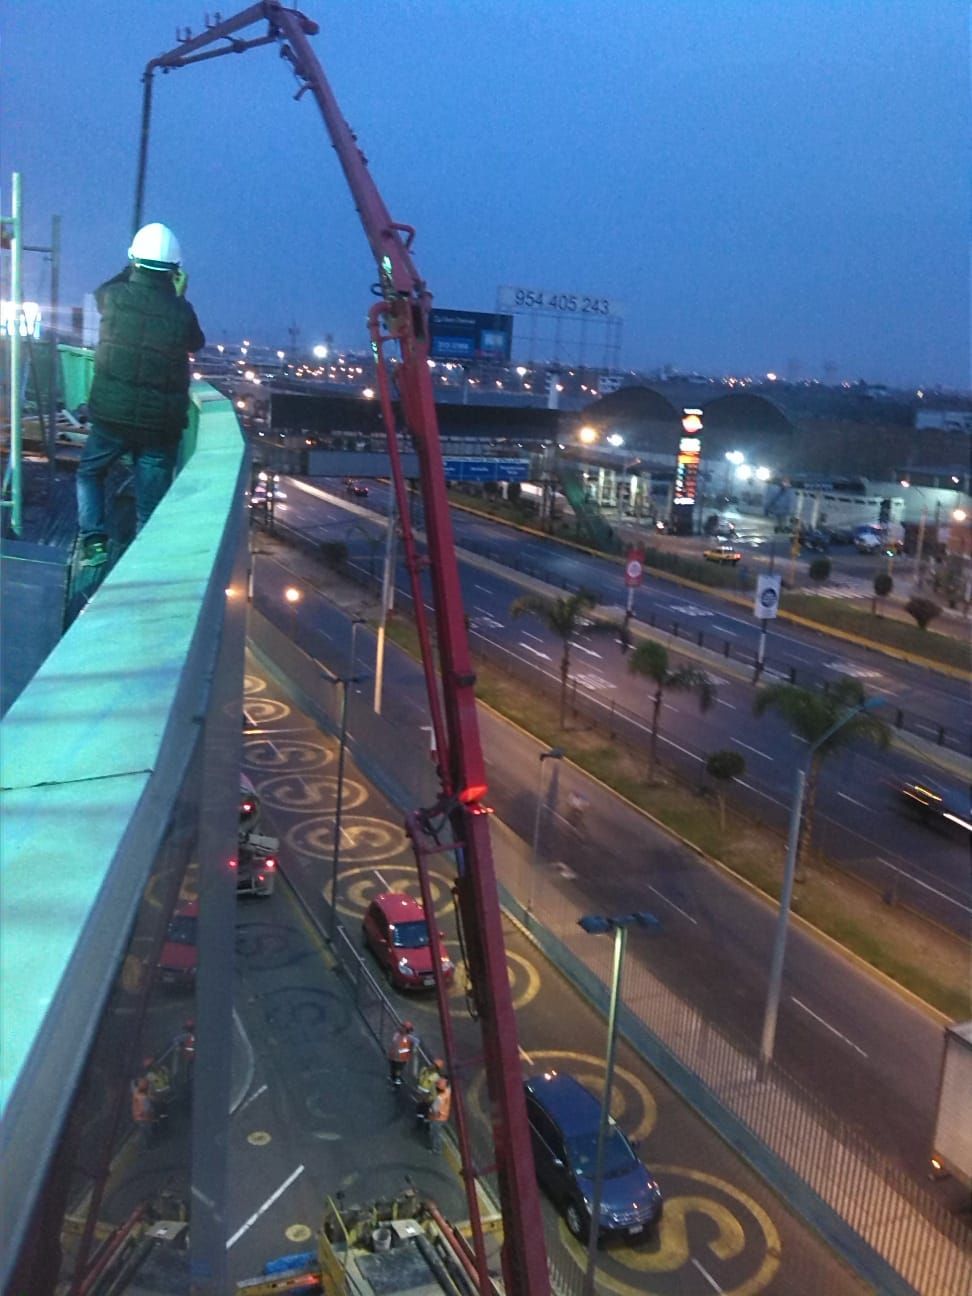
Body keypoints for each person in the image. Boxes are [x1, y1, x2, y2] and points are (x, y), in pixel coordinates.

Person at [76, 222, 205, 567]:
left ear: (134, 260)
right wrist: (179, 297)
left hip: (111, 417)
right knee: (150, 508)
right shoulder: (181, 310)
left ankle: (95, 542)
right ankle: (143, 568)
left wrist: (129, 267)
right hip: (159, 426)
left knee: (90, 473)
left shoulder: (114, 298)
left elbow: (103, 289)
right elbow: (195, 342)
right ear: (175, 270)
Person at [414, 1057, 445, 1125]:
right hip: (421, 1091)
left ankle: (424, 1119)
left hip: (427, 1094)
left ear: (437, 1069)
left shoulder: (436, 1076)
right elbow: (419, 1079)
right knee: (420, 1106)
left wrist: (431, 1097)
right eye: (433, 1064)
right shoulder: (425, 1070)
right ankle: (420, 1117)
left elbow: (434, 1088)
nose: (432, 1066)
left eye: (435, 1066)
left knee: (424, 1106)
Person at [387, 1020, 416, 1088]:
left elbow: (415, 1044)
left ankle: (396, 1084)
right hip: (393, 1056)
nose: (401, 1028)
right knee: (392, 1069)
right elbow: (393, 1044)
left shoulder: (410, 1037)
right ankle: (392, 1078)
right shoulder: (397, 1034)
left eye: (403, 1027)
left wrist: (409, 1053)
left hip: (401, 1059)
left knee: (398, 1071)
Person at [427, 1076, 452, 1153]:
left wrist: (430, 1112)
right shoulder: (448, 1092)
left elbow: (434, 1109)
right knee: (437, 1132)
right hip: (444, 1116)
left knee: (434, 1133)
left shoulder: (439, 1098)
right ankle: (437, 1148)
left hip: (437, 1118)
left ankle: (436, 1149)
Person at [131, 1077, 155, 1148]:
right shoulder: (142, 1097)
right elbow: (147, 1109)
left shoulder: (137, 1094)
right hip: (144, 1117)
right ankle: (146, 1147)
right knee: (147, 1133)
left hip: (139, 1117)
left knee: (144, 1133)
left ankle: (144, 1146)